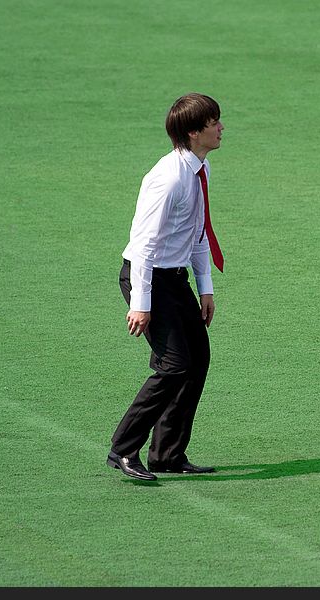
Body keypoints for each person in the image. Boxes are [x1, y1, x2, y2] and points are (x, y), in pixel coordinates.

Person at [107, 93, 225, 481]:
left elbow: (198, 234)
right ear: (194, 132)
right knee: (174, 365)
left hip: (175, 281)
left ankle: (167, 454)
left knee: (197, 361)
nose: (221, 128)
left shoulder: (200, 171)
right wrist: (140, 304)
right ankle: (124, 450)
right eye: (213, 123)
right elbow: (143, 246)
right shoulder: (169, 178)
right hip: (149, 279)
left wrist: (205, 288)